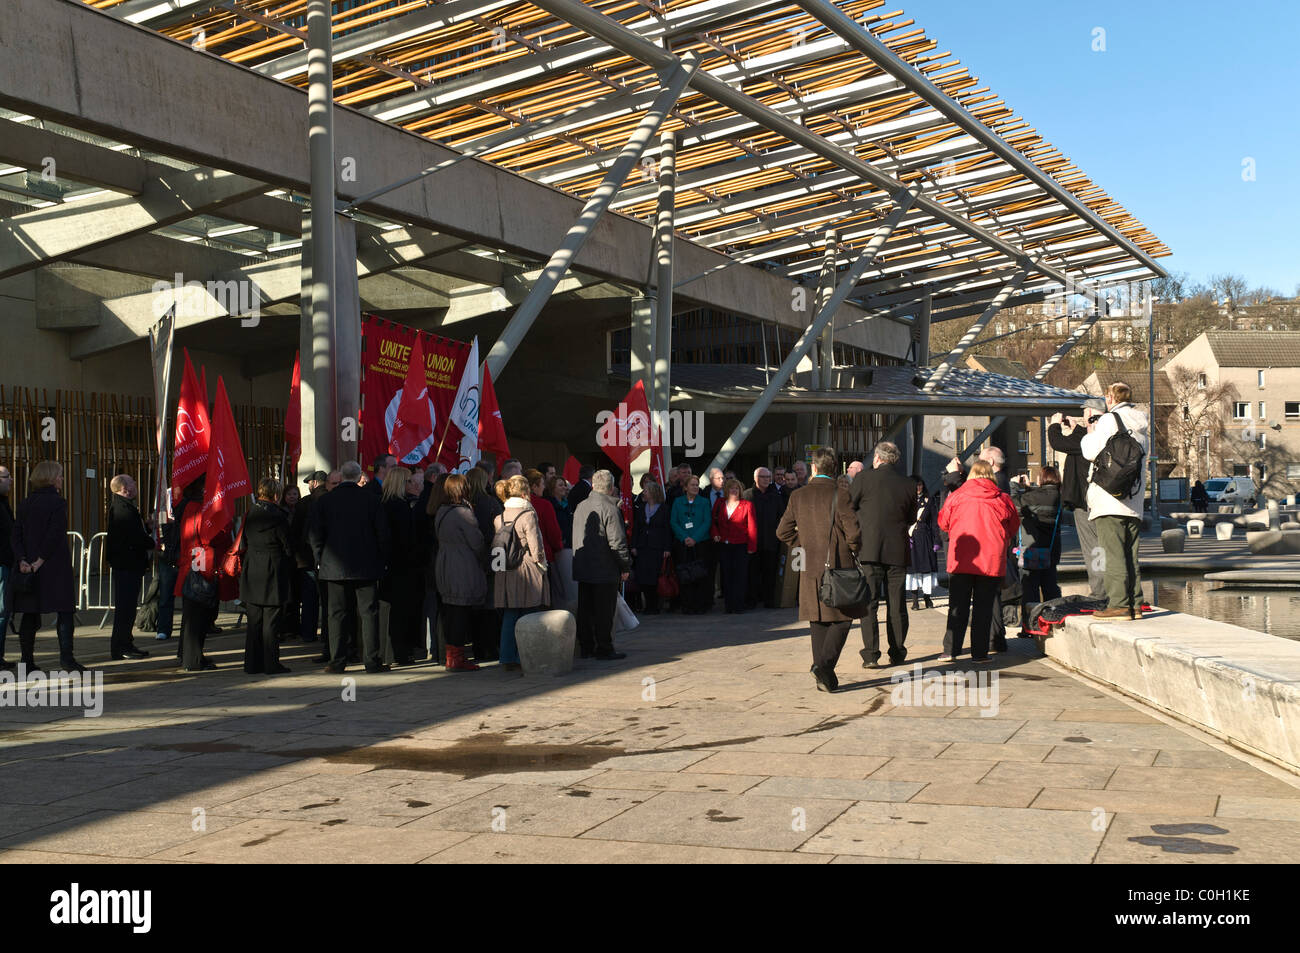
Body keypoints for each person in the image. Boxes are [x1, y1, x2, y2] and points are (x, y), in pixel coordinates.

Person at [775, 446, 861, 693]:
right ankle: (823, 666)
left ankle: (822, 674)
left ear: (813, 468)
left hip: (809, 564)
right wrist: (854, 548)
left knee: (819, 619)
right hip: (839, 564)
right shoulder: (840, 493)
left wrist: (804, 544)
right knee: (844, 617)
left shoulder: (798, 496)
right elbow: (854, 532)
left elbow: (782, 532)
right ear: (834, 469)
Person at [309, 460, 391, 673]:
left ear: (343, 477)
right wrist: (381, 561)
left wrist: (319, 559)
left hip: (333, 567)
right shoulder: (372, 500)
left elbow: (315, 535)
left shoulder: (325, 502)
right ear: (358, 477)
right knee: (368, 613)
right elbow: (383, 535)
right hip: (366, 566)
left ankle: (337, 661)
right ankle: (372, 661)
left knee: (336, 614)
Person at [937, 460, 1020, 663]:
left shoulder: (956, 496)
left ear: (971, 475)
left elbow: (943, 523)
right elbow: (1013, 526)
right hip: (990, 560)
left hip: (962, 560)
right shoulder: (1002, 498)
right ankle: (979, 654)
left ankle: (951, 650)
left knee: (957, 606)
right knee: (983, 608)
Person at [1081, 381, 1149, 620]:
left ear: (1110, 398)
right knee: (1130, 552)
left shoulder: (1109, 420)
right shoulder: (1142, 426)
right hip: (1133, 498)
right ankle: (1136, 603)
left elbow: (1090, 452)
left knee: (1112, 552)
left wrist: (1090, 431)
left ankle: (1119, 604)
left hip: (1109, 496)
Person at [12, 461, 85, 673]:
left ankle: (26, 661)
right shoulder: (57, 503)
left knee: (30, 612)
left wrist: (23, 560)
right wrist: (40, 561)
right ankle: (67, 659)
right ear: (52, 478)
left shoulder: (25, 503)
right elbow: (55, 534)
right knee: (64, 611)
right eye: (60, 475)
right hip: (54, 566)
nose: (62, 479)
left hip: (29, 567)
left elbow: (16, 535)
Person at [848, 440, 915, 668]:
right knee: (897, 605)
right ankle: (897, 652)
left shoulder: (863, 478)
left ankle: (871, 654)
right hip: (897, 549)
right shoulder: (908, 484)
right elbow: (911, 517)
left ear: (877, 458)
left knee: (870, 603)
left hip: (869, 549)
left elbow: (849, 507)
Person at [571, 469, 631, 659]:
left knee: (586, 609)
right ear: (612, 488)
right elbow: (617, 542)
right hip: (604, 567)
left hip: (584, 566)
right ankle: (604, 647)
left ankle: (587, 646)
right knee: (604, 611)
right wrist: (625, 566)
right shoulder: (611, 509)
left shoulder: (581, 506)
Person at [1047, 410, 1106, 600]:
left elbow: (1058, 443)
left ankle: (1100, 592)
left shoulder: (1088, 442)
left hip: (1085, 501)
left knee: (1093, 548)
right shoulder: (1107, 438)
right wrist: (1077, 428)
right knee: (1107, 547)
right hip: (1104, 501)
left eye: (1089, 418)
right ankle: (1117, 591)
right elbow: (1076, 443)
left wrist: (1054, 425)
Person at [494, 474, 550, 671]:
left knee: (510, 615)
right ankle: (526, 655)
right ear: (526, 492)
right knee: (530, 614)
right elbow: (536, 547)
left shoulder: (499, 516)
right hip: (525, 569)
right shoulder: (528, 515)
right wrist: (542, 566)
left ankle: (506, 657)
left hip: (505, 569)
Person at [238, 478, 293, 674]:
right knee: (271, 621)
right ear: (275, 494)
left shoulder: (250, 513)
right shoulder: (279, 516)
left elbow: (243, 538)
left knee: (254, 621)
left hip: (252, 568)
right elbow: (287, 545)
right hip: (273, 570)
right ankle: (271, 663)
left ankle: (252, 663)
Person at [434, 473, 486, 672]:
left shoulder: (442, 510)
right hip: (462, 565)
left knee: (451, 611)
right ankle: (456, 658)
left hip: (445, 562)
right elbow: (477, 541)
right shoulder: (463, 512)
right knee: (460, 612)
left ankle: (451, 657)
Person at [105, 474, 153, 660]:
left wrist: (147, 528)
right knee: (125, 608)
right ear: (125, 488)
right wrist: (152, 543)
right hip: (126, 564)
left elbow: (134, 532)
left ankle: (126, 642)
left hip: (129, 563)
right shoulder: (122, 509)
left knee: (128, 607)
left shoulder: (126, 507)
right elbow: (133, 537)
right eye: (133, 482)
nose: (136, 484)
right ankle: (121, 646)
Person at [379, 466, 422, 665]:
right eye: (408, 481)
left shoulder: (384, 503)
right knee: (400, 612)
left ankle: (396, 651)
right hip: (402, 567)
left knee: (394, 611)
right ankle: (401, 652)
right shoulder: (399, 506)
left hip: (390, 566)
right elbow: (406, 539)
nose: (411, 484)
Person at [1018, 465, 1064, 633]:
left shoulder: (1031, 496)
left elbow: (1016, 504)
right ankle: (1055, 620)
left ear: (1042, 479)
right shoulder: (1059, 496)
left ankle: (1031, 626)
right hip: (1052, 549)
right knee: (1050, 586)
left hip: (1033, 549)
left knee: (1030, 589)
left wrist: (1018, 487)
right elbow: (1043, 499)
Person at [464, 466, 503, 662]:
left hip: (469, 560)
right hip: (489, 558)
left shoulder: (464, 504)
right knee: (490, 604)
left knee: (474, 606)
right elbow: (500, 533)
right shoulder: (490, 503)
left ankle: (478, 648)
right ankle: (491, 648)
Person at [711, 478, 757, 614]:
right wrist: (715, 534)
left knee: (740, 576)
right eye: (731, 488)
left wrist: (752, 546)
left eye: (736, 488)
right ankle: (729, 605)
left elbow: (752, 527)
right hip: (724, 545)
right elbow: (713, 522)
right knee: (727, 575)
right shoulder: (719, 503)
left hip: (741, 545)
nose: (734, 490)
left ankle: (739, 605)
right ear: (726, 490)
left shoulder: (747, 505)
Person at [669, 474, 712, 614]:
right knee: (685, 575)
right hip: (683, 544)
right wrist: (685, 537)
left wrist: (695, 538)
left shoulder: (705, 502)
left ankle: (700, 605)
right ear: (686, 487)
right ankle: (687, 605)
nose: (695, 487)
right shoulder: (677, 502)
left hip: (700, 544)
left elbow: (707, 522)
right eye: (692, 485)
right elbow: (674, 522)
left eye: (697, 484)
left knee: (700, 574)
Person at [744, 466, 785, 609]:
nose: (767, 480)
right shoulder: (747, 495)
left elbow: (782, 517)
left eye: (768, 477)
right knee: (752, 572)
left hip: (771, 541)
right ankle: (752, 600)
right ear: (756, 478)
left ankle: (769, 600)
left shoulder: (775, 496)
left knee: (770, 572)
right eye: (763, 477)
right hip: (752, 542)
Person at [631, 482, 671, 613]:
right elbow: (636, 528)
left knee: (654, 576)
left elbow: (667, 530)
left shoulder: (664, 508)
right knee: (643, 576)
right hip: (643, 547)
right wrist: (634, 545)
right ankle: (647, 604)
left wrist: (667, 548)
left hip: (657, 547)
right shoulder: (641, 508)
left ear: (653, 492)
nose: (644, 493)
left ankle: (654, 605)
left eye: (646, 491)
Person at [905, 475, 940, 611]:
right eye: (915, 485)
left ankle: (927, 598)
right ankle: (915, 600)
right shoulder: (906, 501)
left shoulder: (929, 501)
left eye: (920, 485)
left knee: (927, 570)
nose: (918, 488)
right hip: (911, 538)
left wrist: (936, 540)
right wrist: (905, 537)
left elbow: (934, 523)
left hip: (925, 538)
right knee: (913, 570)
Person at [0, 466, 14, 671]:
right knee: (2, 611)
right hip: (1, 563)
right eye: (7, 476)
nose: (11, 479)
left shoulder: (3, 502)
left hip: (5, 562)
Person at [544, 475, 573, 549]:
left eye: (564, 485)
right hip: (557, 546)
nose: (564, 487)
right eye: (560, 485)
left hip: (569, 544)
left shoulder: (567, 504)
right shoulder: (549, 505)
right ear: (553, 488)